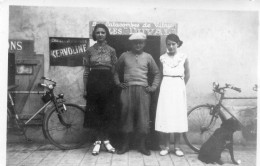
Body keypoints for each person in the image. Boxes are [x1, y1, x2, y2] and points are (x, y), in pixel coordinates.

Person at [114, 32, 161, 156]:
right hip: (127, 90)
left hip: (143, 91)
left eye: (141, 42)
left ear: (144, 43)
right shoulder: (124, 56)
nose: (138, 45)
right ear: (131, 43)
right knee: (126, 116)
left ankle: (142, 146)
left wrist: (153, 87)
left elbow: (157, 73)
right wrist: (119, 83)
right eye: (135, 42)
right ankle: (125, 145)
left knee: (143, 118)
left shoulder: (148, 57)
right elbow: (115, 71)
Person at [83, 23, 117, 156]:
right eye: (98, 32)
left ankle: (107, 141)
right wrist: (85, 89)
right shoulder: (89, 51)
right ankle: (97, 142)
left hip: (107, 82)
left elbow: (114, 71)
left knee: (107, 111)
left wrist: (114, 86)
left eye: (103, 32)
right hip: (94, 82)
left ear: (106, 34)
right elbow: (86, 72)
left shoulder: (112, 50)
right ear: (94, 35)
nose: (100, 34)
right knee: (95, 112)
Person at [155, 34, 190, 156]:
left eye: (173, 44)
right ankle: (166, 146)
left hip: (178, 87)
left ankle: (177, 147)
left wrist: (180, 87)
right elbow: (160, 74)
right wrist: (162, 87)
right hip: (166, 87)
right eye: (168, 44)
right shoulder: (162, 58)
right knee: (166, 115)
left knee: (177, 115)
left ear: (178, 44)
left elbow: (188, 74)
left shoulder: (183, 57)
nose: (170, 46)